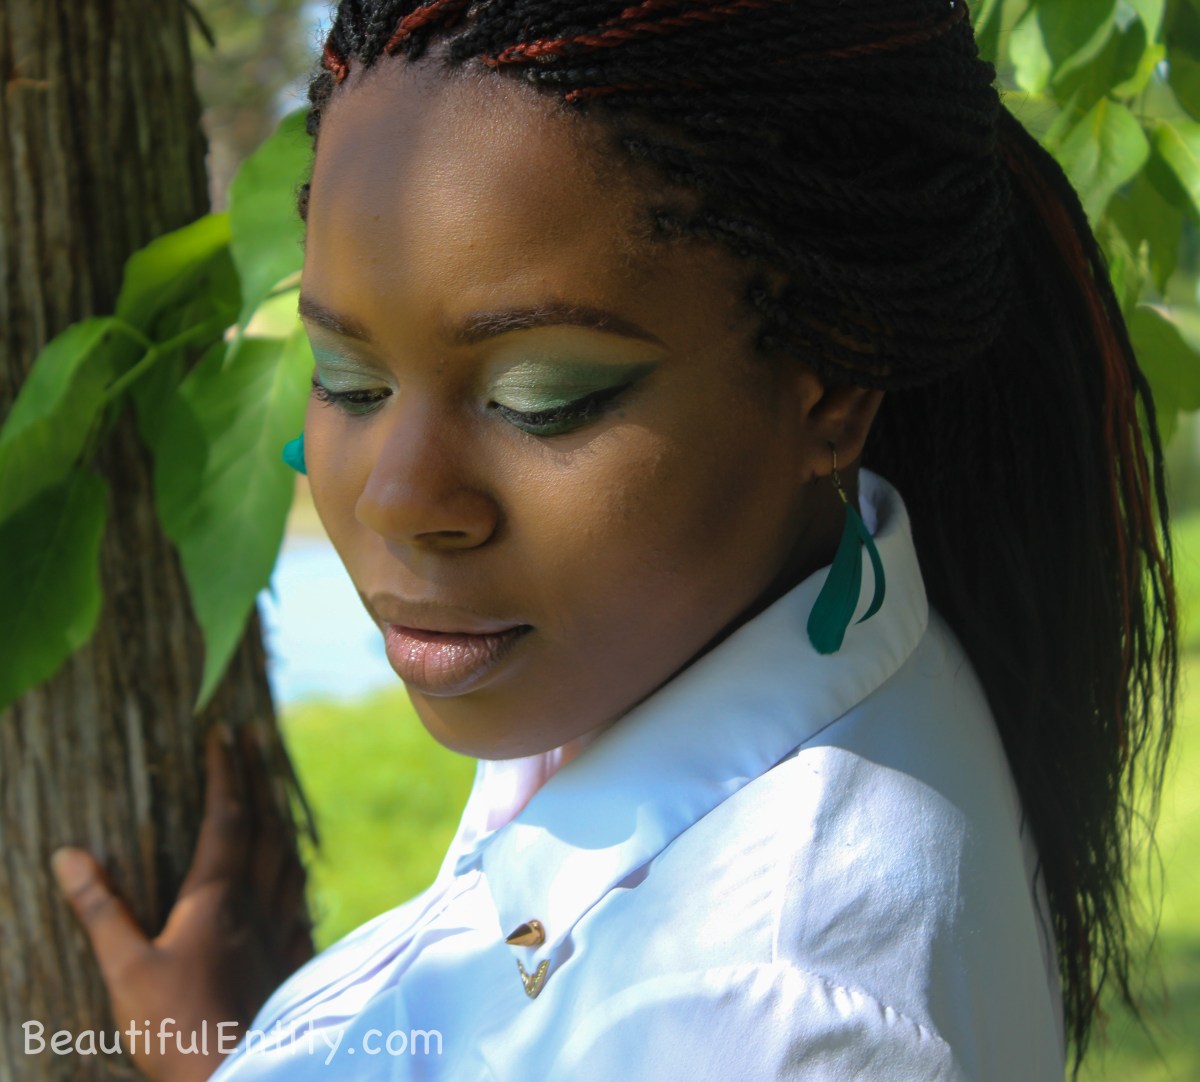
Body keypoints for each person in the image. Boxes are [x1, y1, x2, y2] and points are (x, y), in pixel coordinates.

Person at [50, 0, 1179, 1079]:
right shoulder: (678, 657)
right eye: (349, 378)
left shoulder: (758, 1021)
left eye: (539, 396)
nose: (398, 498)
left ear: (834, 387)